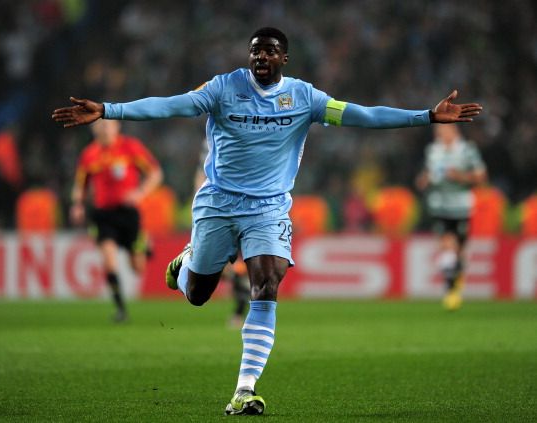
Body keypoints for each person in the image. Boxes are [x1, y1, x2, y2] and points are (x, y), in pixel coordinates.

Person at [52, 27, 482, 415]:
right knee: (198, 295)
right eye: (255, 51)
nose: (260, 57)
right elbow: (172, 105)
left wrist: (425, 116)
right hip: (218, 203)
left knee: (267, 282)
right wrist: (109, 110)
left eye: (269, 52)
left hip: (269, 208)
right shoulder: (223, 89)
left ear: (284, 59)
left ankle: (245, 389)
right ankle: (185, 266)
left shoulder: (305, 99)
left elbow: (362, 115)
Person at [70, 119, 163, 322]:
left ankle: (143, 244)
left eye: (107, 124)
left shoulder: (130, 147)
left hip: (128, 213)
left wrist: (140, 192)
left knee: (137, 268)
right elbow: (80, 184)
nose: (103, 128)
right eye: (99, 125)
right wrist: (77, 204)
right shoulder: (89, 154)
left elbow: (155, 173)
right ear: (93, 129)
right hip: (103, 216)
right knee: (109, 262)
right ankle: (121, 308)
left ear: (116, 127)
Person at [416, 124, 487, 310]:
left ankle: (455, 281)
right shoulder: (433, 150)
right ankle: (450, 289)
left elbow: (481, 177)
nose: (440, 134)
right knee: (447, 243)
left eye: (444, 130)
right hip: (439, 205)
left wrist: (460, 177)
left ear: (455, 131)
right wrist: (424, 180)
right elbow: (428, 174)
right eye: (438, 131)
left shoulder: (467, 150)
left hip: (461, 206)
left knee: (459, 251)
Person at [194, 139, 250, 329]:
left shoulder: (255, 130)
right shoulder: (212, 140)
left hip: (251, 206)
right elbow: (201, 173)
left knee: (246, 262)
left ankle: (241, 309)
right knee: (226, 267)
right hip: (220, 207)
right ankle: (240, 290)